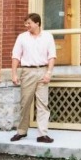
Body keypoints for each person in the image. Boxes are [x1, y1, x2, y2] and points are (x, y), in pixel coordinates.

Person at [10, 13, 56, 143]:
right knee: (25, 104)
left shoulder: (48, 36)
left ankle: (42, 134)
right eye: (26, 23)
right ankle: (22, 131)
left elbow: (52, 56)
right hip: (27, 72)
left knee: (43, 104)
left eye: (29, 23)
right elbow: (16, 56)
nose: (26, 26)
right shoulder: (22, 37)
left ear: (37, 23)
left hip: (42, 71)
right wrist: (13, 73)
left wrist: (49, 73)